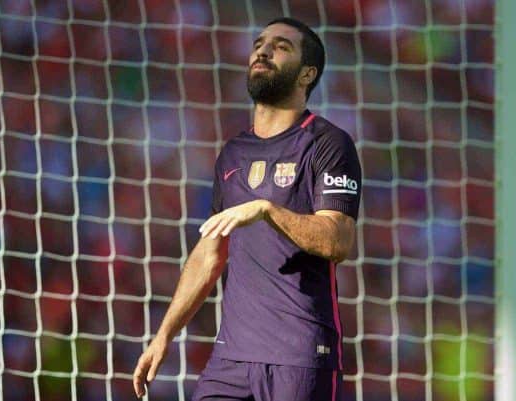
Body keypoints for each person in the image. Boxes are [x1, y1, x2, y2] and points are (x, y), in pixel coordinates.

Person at [133, 17, 361, 401]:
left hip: (300, 355)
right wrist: (164, 335)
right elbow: (210, 253)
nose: (263, 50)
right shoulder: (233, 153)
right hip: (231, 360)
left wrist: (267, 210)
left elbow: (337, 240)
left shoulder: (328, 144)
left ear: (307, 74)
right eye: (259, 43)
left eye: (281, 46)